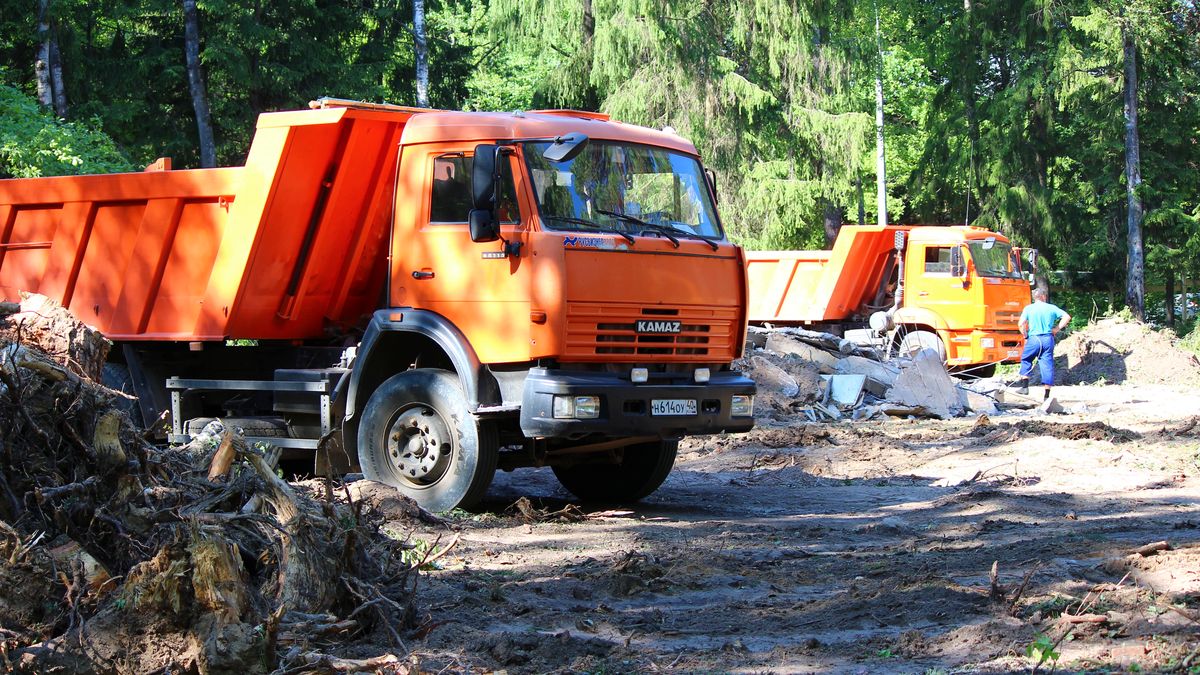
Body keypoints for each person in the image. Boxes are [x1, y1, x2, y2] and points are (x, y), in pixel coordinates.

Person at [1015, 287, 1071, 399]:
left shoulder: (1029, 308)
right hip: (1047, 339)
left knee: (1026, 359)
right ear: (1044, 296)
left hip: (1034, 338)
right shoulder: (1051, 308)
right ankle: (1046, 395)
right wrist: (1056, 329)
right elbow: (1067, 317)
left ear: (1034, 298)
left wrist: (1025, 335)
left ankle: (1025, 387)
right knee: (1047, 364)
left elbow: (1021, 324)